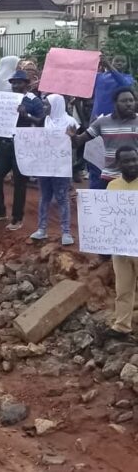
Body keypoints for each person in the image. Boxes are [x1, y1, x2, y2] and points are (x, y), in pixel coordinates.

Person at [0, 70, 45, 230]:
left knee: (19, 182)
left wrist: (26, 116)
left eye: (19, 82)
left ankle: (17, 218)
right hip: (6, 144)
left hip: (23, 146)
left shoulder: (34, 101)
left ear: (26, 84)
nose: (16, 85)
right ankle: (0, 211)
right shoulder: (6, 99)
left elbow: (41, 122)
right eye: (13, 83)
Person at [29, 94, 78, 245]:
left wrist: (72, 137)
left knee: (62, 197)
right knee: (44, 197)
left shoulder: (70, 121)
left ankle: (66, 232)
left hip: (61, 167)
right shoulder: (46, 120)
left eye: (46, 105)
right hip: (45, 165)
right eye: (44, 105)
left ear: (56, 105)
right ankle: (42, 229)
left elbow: (75, 144)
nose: (44, 108)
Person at [71, 87, 138, 186]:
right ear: (115, 103)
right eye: (124, 101)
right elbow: (78, 142)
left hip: (135, 177)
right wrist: (73, 137)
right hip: (109, 177)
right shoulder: (102, 122)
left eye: (131, 100)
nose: (128, 104)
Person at [104, 146, 138, 340]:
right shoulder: (112, 186)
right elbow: (106, 217)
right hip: (121, 247)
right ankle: (122, 327)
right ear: (119, 164)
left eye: (134, 159)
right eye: (127, 161)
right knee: (123, 288)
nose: (132, 164)